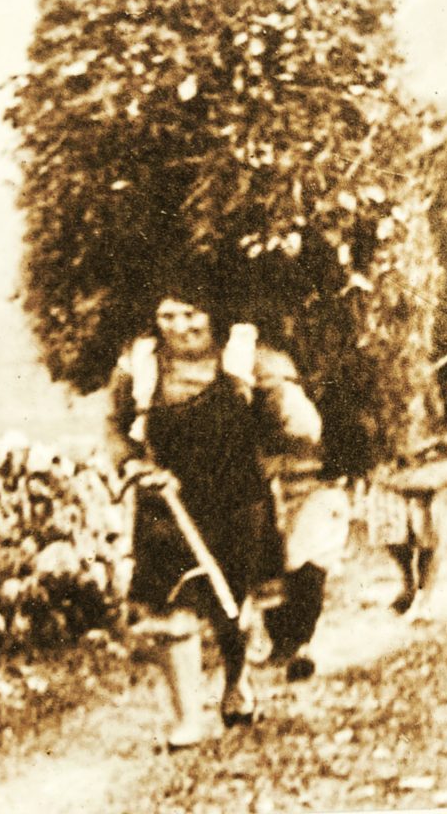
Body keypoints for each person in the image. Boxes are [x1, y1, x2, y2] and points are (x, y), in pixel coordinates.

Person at [106, 281, 325, 749]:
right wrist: (132, 464)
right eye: (168, 316)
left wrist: (284, 414)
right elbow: (115, 425)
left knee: (233, 605)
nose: (180, 326)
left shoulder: (246, 357)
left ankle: (236, 681)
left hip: (237, 500)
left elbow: (302, 427)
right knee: (172, 608)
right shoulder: (142, 365)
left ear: (214, 313)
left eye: (191, 314)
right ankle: (187, 718)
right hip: (166, 499)